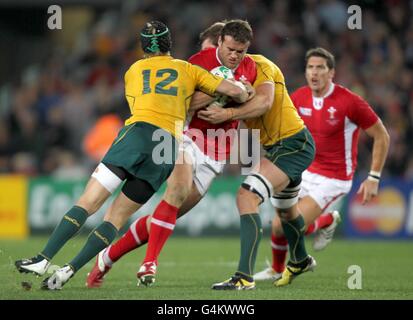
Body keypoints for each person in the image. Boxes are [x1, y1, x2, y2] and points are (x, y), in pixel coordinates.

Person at [14, 20, 250, 290]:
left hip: (137, 135)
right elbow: (233, 91)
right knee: (114, 218)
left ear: (143, 48)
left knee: (89, 202)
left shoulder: (134, 70)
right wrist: (242, 88)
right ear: (169, 44)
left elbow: (139, 103)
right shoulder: (188, 69)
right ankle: (69, 271)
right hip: (166, 147)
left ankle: (43, 259)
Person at [85, 19, 258, 288]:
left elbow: (254, 97)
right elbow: (184, 102)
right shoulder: (195, 63)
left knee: (166, 215)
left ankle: (107, 257)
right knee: (176, 190)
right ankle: (150, 263)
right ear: (221, 42)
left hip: (218, 148)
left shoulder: (251, 66)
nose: (235, 56)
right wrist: (223, 89)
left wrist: (239, 100)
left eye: (241, 51)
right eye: (231, 49)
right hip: (186, 136)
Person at [253, 47, 390, 282]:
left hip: (335, 178)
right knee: (277, 226)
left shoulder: (349, 102)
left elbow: (381, 135)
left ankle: (328, 219)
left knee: (293, 225)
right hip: (305, 170)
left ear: (331, 73)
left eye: (320, 68)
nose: (314, 73)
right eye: (310, 68)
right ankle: (276, 269)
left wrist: (373, 177)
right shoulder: (298, 97)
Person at [198, 53, 317, 290]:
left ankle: (244, 276)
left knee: (246, 195)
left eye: (236, 49)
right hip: (276, 148)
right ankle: (301, 259)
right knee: (286, 211)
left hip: (293, 144)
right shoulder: (222, 77)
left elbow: (264, 102)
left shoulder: (260, 66)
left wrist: (228, 111)